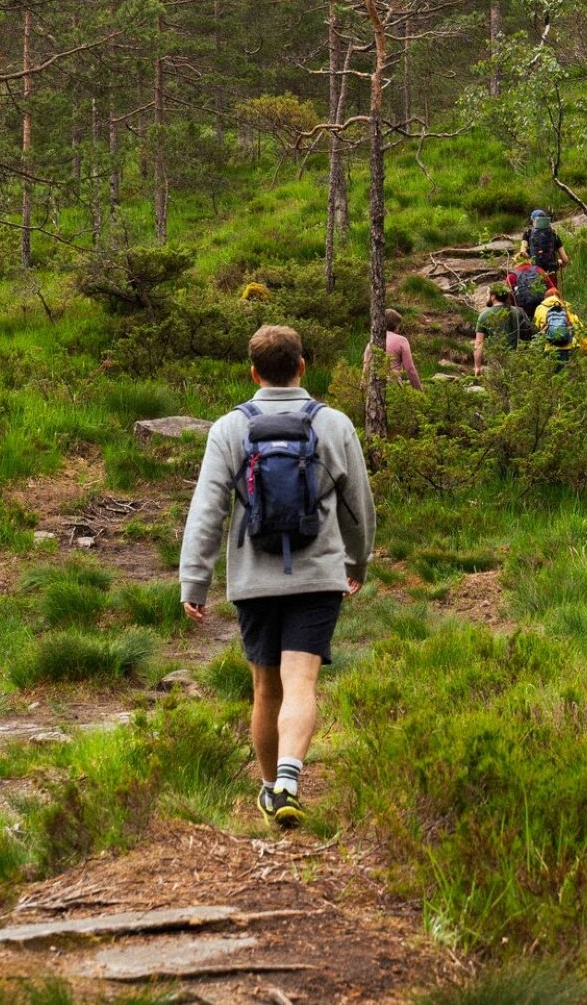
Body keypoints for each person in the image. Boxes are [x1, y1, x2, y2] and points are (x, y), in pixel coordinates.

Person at [180, 324, 375, 830]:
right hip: (317, 576)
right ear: (302, 366)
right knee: (301, 680)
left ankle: (270, 790)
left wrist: (193, 582)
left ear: (254, 372)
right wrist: (357, 562)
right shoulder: (333, 424)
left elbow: (207, 510)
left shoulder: (229, 428)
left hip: (253, 579)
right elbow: (359, 507)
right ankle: (289, 780)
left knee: (266, 689)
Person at [473, 283, 531, 376]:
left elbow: (479, 344)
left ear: (493, 297)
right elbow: (529, 334)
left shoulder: (484, 315)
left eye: (488, 295)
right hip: (517, 359)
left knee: (497, 388)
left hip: (496, 360)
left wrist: (477, 367)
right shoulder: (519, 311)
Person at [534, 282, 587, 364]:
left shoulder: (540, 308)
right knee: (570, 374)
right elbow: (580, 330)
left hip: (550, 348)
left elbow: (536, 327)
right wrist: (586, 350)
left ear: (545, 298)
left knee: (553, 374)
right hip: (570, 347)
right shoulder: (567, 308)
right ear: (560, 298)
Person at [377, 309, 423, 390]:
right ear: (396, 325)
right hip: (393, 387)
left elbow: (366, 368)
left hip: (374, 390)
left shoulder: (373, 340)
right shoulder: (401, 340)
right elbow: (410, 369)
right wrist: (419, 392)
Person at [523, 209, 568, 281]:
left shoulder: (528, 233)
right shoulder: (554, 234)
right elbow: (565, 259)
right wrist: (559, 263)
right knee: (552, 291)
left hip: (534, 274)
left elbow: (522, 254)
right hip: (550, 274)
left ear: (533, 220)